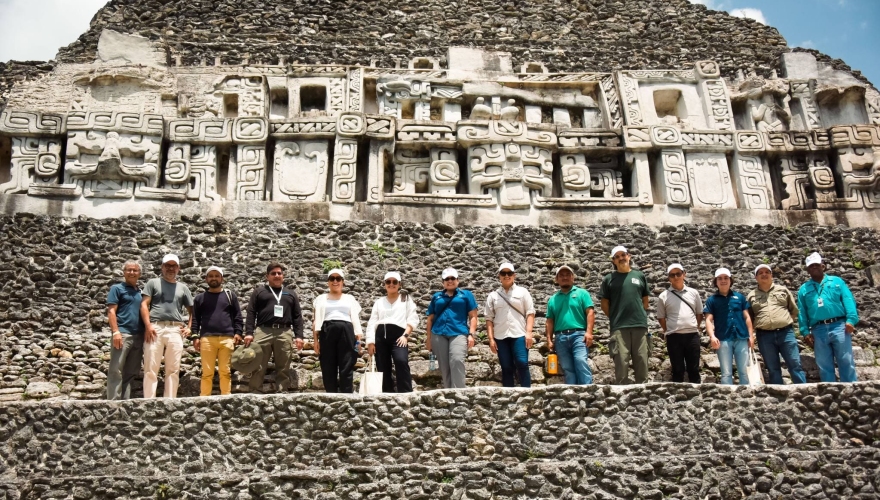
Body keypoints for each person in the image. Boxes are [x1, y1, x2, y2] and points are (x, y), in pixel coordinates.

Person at [797, 252, 859, 382]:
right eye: (811, 266)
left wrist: (851, 320)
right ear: (808, 269)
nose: (814, 267)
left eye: (817, 264)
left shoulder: (837, 281)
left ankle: (851, 390)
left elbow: (848, 300)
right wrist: (805, 331)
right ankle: (830, 393)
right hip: (818, 329)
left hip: (839, 326)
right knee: (824, 364)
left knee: (846, 360)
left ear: (823, 266)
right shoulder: (804, 289)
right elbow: (802, 311)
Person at [140, 253, 194, 398]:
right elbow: (144, 304)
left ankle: (170, 401)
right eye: (167, 265)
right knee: (150, 367)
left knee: (173, 368)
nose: (171, 268)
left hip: (176, 329)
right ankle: (148, 401)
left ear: (178, 268)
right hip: (155, 327)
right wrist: (148, 325)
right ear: (162, 267)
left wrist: (189, 327)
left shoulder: (183, 288)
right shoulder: (153, 283)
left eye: (174, 266)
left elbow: (192, 310)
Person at [245, 262, 304, 393]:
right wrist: (249, 332)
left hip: (284, 331)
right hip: (263, 330)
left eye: (279, 273)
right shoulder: (259, 292)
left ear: (283, 276)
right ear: (267, 276)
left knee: (284, 364)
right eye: (273, 273)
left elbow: (297, 316)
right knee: (258, 362)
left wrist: (299, 336)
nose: (277, 276)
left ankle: (282, 390)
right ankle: (255, 391)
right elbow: (251, 312)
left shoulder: (291, 294)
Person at [747, 264, 807, 385]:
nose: (764, 274)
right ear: (756, 277)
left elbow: (794, 311)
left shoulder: (783, 290)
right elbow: (749, 317)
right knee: (772, 368)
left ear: (771, 275)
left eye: (767, 272)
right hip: (764, 336)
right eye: (760, 273)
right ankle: (778, 398)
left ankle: (802, 392)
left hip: (786, 333)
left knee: (795, 364)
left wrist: (784, 322)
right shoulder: (751, 296)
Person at [599, 246, 651, 384]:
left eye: (623, 254)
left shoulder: (639, 276)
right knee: (621, 365)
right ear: (614, 261)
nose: (621, 258)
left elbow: (645, 300)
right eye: (617, 256)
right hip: (619, 327)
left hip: (639, 325)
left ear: (629, 256)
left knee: (642, 363)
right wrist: (616, 316)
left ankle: (644, 400)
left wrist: (637, 313)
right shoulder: (609, 279)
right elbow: (604, 304)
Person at [192, 266, 244, 396]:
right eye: (211, 276)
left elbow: (237, 316)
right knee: (207, 372)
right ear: (206, 279)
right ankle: (204, 400)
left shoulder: (230, 296)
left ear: (222, 279)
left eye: (216, 276)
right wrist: (195, 336)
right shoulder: (200, 298)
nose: (214, 278)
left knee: (225, 371)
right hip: (207, 339)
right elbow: (195, 319)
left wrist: (238, 332)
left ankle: (226, 398)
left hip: (227, 338)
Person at [365, 271, 418, 393]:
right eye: (388, 282)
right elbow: (372, 322)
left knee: (401, 360)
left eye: (394, 282)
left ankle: (405, 393)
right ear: (384, 284)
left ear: (399, 284)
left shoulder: (406, 299)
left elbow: (413, 318)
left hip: (399, 335)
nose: (391, 284)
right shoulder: (379, 302)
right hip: (381, 336)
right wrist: (370, 342)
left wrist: (405, 335)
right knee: (382, 365)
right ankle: (387, 394)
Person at [426, 268, 478, 389]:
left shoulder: (466, 295)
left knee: (457, 360)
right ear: (443, 282)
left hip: (459, 332)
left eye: (452, 278)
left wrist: (471, 334)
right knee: (444, 366)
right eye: (447, 279)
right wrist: (428, 339)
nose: (450, 281)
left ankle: (459, 394)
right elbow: (430, 319)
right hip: (438, 333)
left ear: (457, 280)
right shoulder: (437, 297)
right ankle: (449, 393)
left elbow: (473, 316)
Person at [485, 262, 536, 387]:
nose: (506, 276)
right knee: (506, 367)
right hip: (500, 336)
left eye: (509, 273)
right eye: (503, 273)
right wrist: (491, 339)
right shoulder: (493, 296)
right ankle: (508, 397)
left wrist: (528, 332)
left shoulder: (523, 292)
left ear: (514, 275)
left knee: (522, 363)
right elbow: (489, 319)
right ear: (499, 276)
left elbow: (530, 313)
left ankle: (527, 394)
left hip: (519, 333)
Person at [313, 268, 363, 393]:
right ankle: (331, 394)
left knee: (347, 362)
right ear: (328, 282)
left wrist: (358, 340)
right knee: (328, 363)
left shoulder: (350, 298)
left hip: (346, 330)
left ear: (343, 281)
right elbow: (316, 321)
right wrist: (315, 341)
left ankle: (346, 394)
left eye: (338, 279)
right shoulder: (320, 299)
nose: (335, 281)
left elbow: (355, 319)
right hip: (327, 330)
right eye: (332, 279)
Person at [703, 268, 755, 385]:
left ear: (731, 280)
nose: (723, 281)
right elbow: (708, 320)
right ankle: (727, 401)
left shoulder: (740, 297)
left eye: (726, 278)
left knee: (744, 371)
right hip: (723, 339)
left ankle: (746, 399)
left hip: (741, 338)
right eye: (720, 278)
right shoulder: (712, 300)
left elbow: (747, 317)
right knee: (726, 373)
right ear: (715, 282)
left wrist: (751, 336)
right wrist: (712, 336)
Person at [545, 265, 595, 385]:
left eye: (568, 274)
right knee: (567, 368)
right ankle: (572, 398)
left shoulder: (582, 293)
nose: (565, 277)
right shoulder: (553, 299)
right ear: (556, 279)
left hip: (579, 335)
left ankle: (587, 392)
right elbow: (549, 321)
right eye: (561, 275)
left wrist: (589, 332)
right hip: (560, 337)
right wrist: (549, 339)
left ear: (573, 277)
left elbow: (590, 312)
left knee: (580, 361)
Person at [656, 263, 703, 383]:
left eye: (678, 273)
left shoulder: (694, 293)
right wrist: (669, 330)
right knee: (677, 369)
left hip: (692, 335)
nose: (676, 277)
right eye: (672, 275)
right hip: (674, 336)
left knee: (694, 368)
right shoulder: (663, 296)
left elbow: (699, 313)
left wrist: (693, 326)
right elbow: (661, 317)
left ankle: (697, 396)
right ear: (669, 278)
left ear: (684, 274)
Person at [106, 260, 145, 400]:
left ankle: (125, 402)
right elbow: (111, 311)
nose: (132, 272)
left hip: (138, 336)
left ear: (139, 273)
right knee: (116, 369)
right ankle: (113, 403)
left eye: (135, 270)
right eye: (129, 270)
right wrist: (115, 332)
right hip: (122, 334)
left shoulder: (140, 292)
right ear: (124, 272)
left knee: (131, 372)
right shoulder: (117, 288)